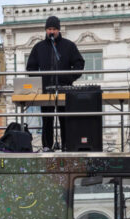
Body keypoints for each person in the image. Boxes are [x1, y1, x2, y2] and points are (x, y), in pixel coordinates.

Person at [25, 15, 85, 150]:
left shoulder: (69, 46)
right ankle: (46, 146)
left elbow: (79, 64)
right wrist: (40, 81)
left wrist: (69, 78)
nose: (51, 32)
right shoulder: (38, 47)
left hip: (65, 89)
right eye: (49, 29)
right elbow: (31, 67)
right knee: (47, 119)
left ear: (59, 30)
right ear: (46, 30)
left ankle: (66, 145)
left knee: (65, 119)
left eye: (54, 29)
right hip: (46, 89)